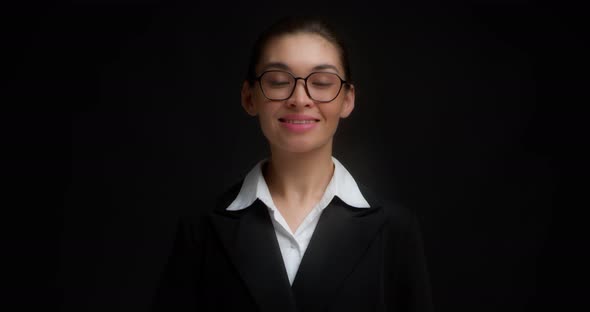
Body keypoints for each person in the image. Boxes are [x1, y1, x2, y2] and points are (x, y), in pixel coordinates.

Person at [152, 16, 433, 312]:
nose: (300, 99)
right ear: (249, 97)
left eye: (322, 83)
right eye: (278, 81)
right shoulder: (201, 229)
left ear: (348, 100)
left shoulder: (395, 230)